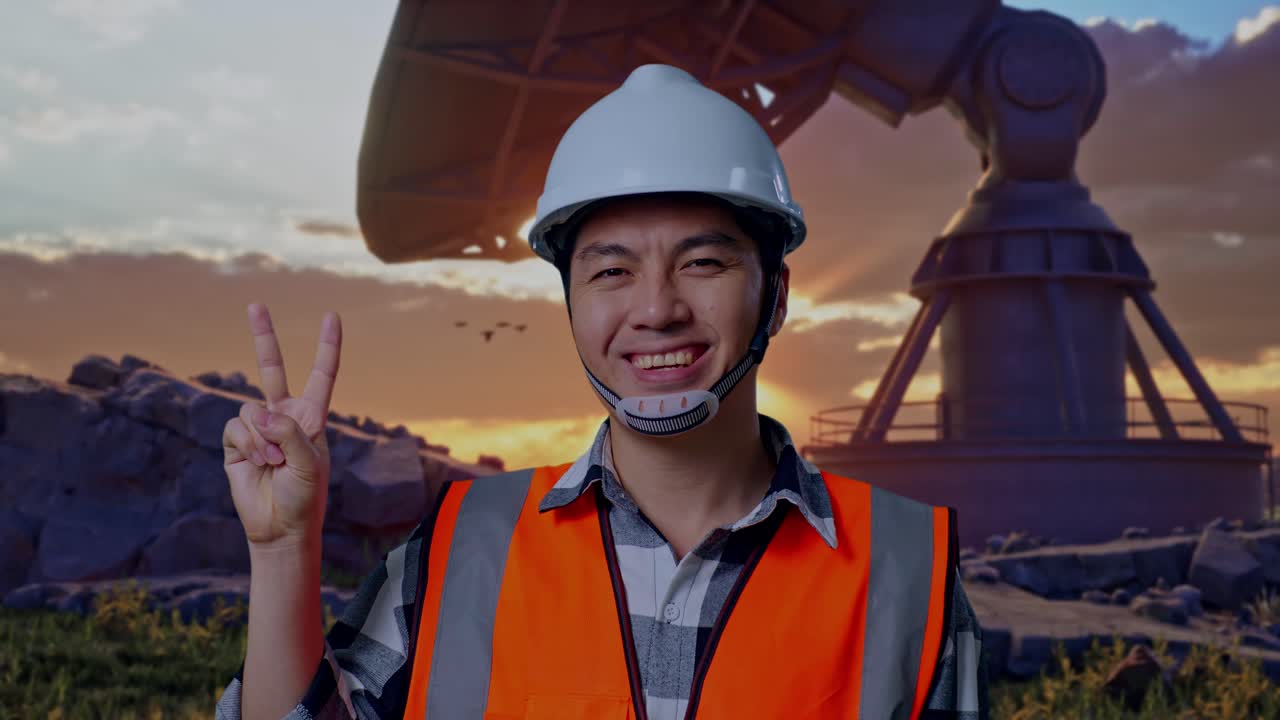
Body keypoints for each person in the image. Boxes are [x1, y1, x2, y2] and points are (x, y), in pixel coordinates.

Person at [216, 64, 988, 720]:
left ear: (777, 296)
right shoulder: (460, 548)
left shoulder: (906, 568)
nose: (656, 309)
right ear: (571, 303)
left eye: (703, 263)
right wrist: (283, 551)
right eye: (612, 271)